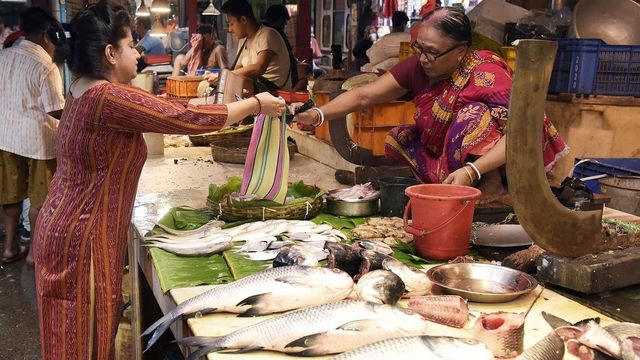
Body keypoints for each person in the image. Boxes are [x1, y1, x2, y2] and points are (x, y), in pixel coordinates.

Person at [33, 2, 285, 359]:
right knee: (83, 344)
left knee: (68, 340)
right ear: (109, 52)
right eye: (131, 44)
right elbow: (189, 116)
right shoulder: (107, 97)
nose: (137, 52)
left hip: (63, 227)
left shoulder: (82, 88)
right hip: (83, 238)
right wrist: (257, 104)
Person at [294, 7, 568, 202]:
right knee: (401, 136)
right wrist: (317, 114)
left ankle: (493, 186)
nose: (423, 58)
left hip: (502, 160)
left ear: (460, 52)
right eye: (419, 48)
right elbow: (365, 95)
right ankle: (446, 186)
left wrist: (474, 170)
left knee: (472, 116)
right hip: (450, 156)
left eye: (433, 52)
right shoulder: (418, 68)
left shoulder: (487, 72)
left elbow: (521, 133)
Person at [0, 7, 66, 265]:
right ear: (45, 35)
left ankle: (9, 248)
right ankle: (35, 254)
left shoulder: (3, 57)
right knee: (41, 198)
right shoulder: (45, 66)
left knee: (12, 194)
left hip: (5, 137)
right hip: (37, 140)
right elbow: (55, 109)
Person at [222, 0, 292, 91]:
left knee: (237, 83)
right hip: (257, 90)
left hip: (275, 93)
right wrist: (225, 77)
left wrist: (226, 76)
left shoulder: (267, 34)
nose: (230, 29)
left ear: (243, 20)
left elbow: (259, 68)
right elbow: (237, 71)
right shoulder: (243, 40)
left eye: (231, 24)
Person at [263, 4, 298, 86]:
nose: (284, 26)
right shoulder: (276, 32)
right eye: (284, 22)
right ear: (280, 20)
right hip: (279, 82)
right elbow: (290, 58)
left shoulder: (260, 29)